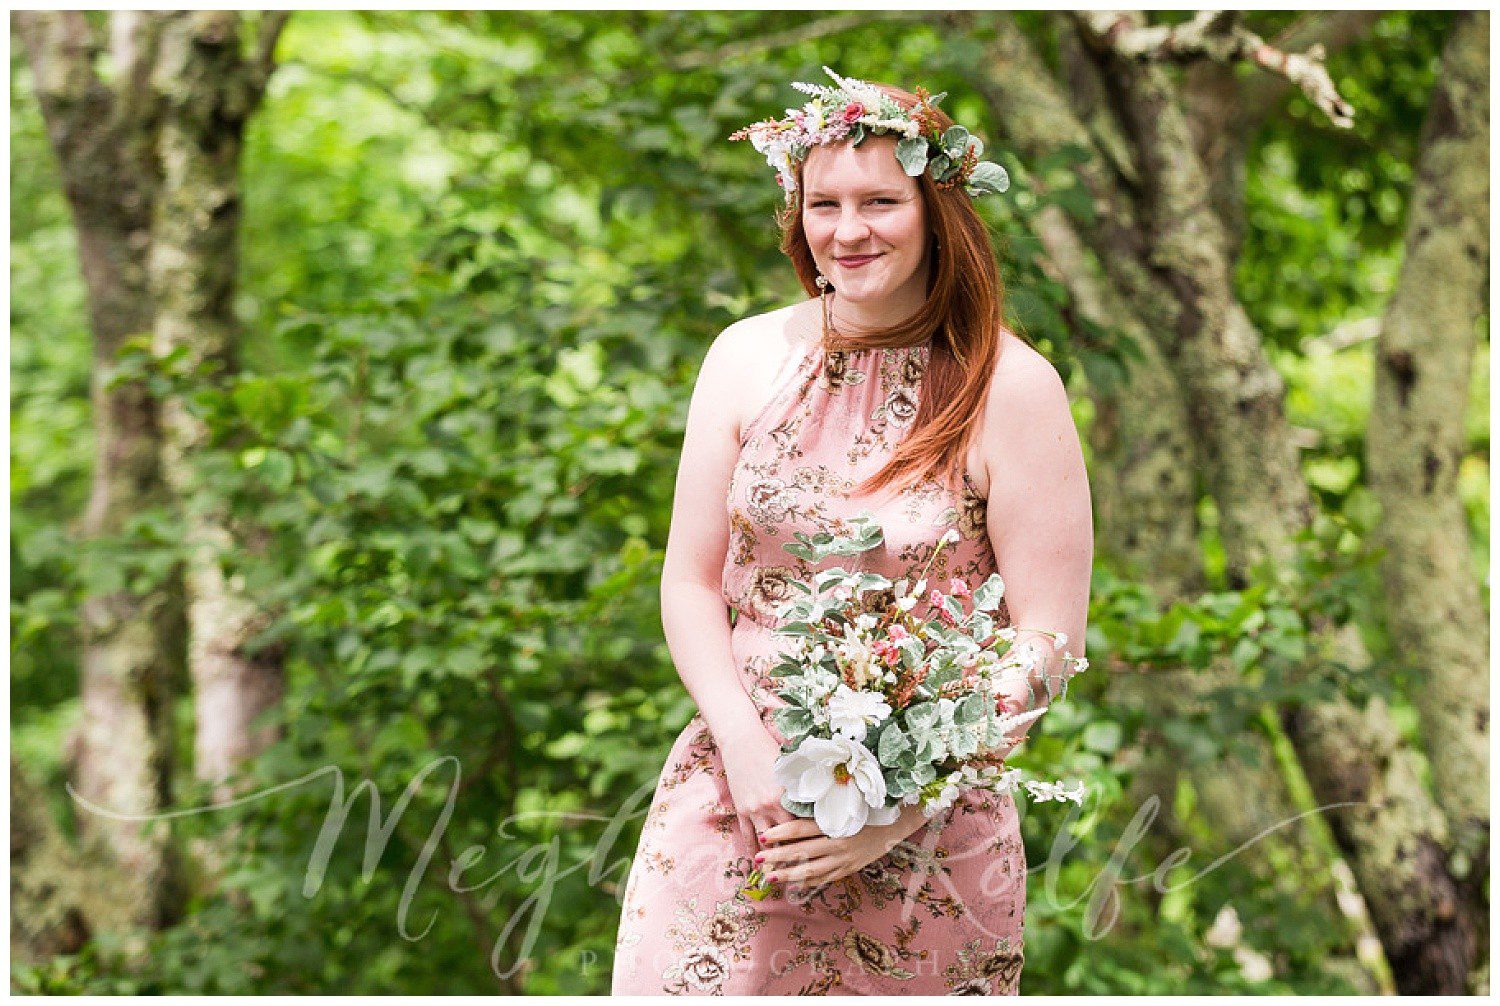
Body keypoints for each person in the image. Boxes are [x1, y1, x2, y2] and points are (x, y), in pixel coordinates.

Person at [610, 67, 1093, 995]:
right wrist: (746, 752)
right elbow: (690, 582)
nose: (849, 229)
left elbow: (1047, 640)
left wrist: (894, 814)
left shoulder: (1013, 386)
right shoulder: (745, 356)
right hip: (740, 803)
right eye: (823, 203)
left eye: (881, 201)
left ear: (936, 208)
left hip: (930, 841)